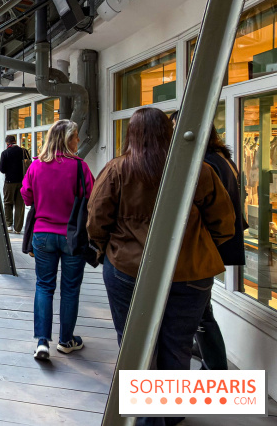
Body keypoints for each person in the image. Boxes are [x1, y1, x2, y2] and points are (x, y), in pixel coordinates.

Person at [88, 107, 234, 426]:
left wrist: (106, 248)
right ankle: (172, 412)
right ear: (170, 133)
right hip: (191, 273)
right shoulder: (197, 170)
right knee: (178, 344)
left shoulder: (117, 170)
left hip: (128, 271)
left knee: (135, 342)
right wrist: (197, 244)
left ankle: (148, 418)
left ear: (132, 134)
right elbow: (224, 222)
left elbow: (96, 221)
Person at [170, 111, 245, 370]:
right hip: (212, 247)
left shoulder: (205, 164)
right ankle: (205, 354)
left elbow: (213, 214)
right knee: (202, 310)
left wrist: (202, 244)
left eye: (176, 129)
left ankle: (215, 367)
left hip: (203, 250)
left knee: (203, 315)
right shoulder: (223, 159)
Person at [21, 119, 94, 360]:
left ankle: (42, 342)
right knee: (70, 289)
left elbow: (27, 197)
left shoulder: (36, 166)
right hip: (72, 236)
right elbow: (91, 197)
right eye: (76, 136)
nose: (78, 140)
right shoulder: (80, 167)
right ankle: (66, 340)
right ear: (68, 139)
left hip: (43, 235)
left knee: (44, 286)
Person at [0, 135, 27, 233]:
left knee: (8, 203)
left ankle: (9, 225)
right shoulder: (24, 151)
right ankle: (18, 228)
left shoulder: (5, 153)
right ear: (15, 141)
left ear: (7, 143)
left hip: (9, 182)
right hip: (22, 182)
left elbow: (2, 169)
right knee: (20, 205)